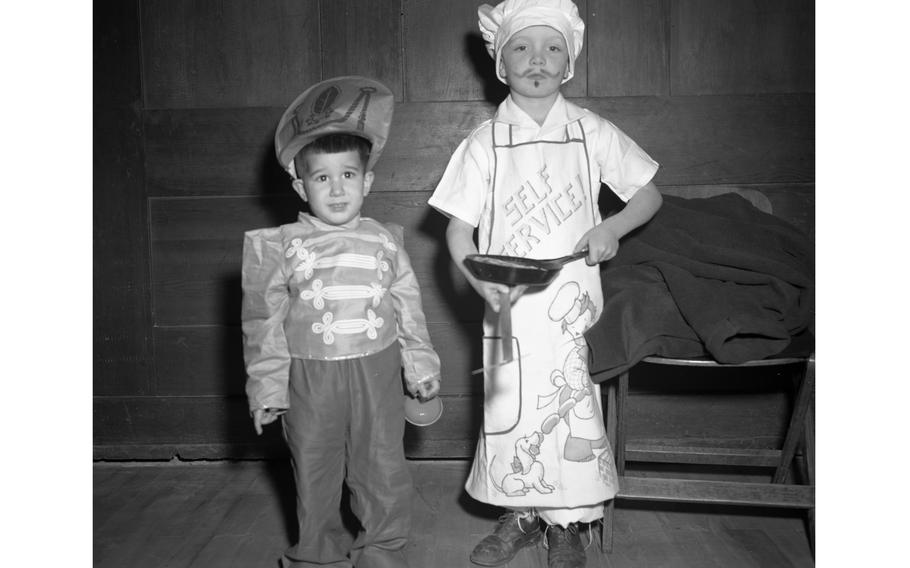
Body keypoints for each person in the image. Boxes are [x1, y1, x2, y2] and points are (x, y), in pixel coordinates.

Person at [428, 1, 663, 566]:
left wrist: (613, 226)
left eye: (552, 48)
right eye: (521, 48)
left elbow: (649, 194)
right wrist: (475, 279)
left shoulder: (590, 131)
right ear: (500, 64)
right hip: (506, 298)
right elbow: (458, 230)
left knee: (569, 400)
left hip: (571, 295)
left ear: (570, 62)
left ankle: (570, 525)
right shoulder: (484, 142)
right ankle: (522, 514)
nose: (538, 60)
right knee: (509, 401)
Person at [242, 75, 442, 568]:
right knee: (314, 469)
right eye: (322, 177)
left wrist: (419, 366)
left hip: (377, 370)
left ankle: (383, 549)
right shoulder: (279, 245)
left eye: (348, 175)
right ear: (299, 184)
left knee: (383, 466)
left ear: (367, 181)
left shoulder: (387, 240)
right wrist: (267, 387)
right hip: (310, 378)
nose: (336, 189)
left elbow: (408, 308)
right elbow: (262, 321)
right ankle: (317, 554)